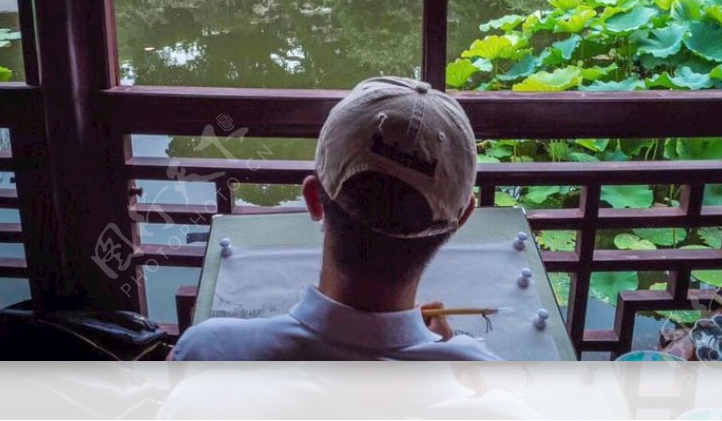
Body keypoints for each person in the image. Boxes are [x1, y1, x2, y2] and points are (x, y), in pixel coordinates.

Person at [172, 76, 499, 360]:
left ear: (313, 198)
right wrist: (455, 353)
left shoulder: (208, 352)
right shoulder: (486, 383)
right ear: (463, 217)